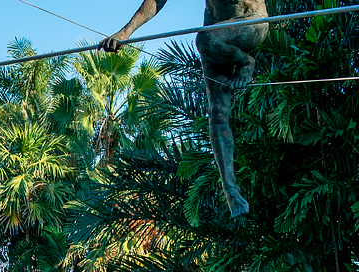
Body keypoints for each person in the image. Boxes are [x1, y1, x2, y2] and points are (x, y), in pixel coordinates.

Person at [102, 1, 268, 216]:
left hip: (250, 23)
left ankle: (246, 63)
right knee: (217, 113)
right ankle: (231, 191)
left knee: (206, 40)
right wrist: (126, 32)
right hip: (215, 28)